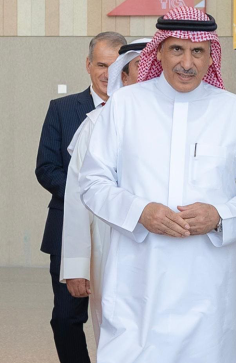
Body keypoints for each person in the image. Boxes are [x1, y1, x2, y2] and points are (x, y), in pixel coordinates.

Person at [78, 7, 236, 362]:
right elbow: (93, 181)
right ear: (158, 52)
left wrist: (220, 215)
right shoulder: (125, 105)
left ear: (211, 55)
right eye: (176, 50)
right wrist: (141, 211)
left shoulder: (233, 111)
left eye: (198, 51)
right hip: (138, 282)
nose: (187, 63)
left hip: (207, 290)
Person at [35, 31, 126, 363]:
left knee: (120, 315)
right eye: (101, 65)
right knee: (66, 319)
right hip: (68, 230)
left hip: (122, 231)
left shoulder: (138, 111)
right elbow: (46, 168)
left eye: (115, 66)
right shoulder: (62, 109)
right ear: (88, 65)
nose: (108, 74)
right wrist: (87, 195)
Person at [59, 39, 148, 343]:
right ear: (125, 75)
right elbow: (77, 200)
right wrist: (76, 266)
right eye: (141, 67)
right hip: (109, 250)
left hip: (168, 254)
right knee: (115, 337)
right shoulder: (96, 124)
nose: (150, 75)